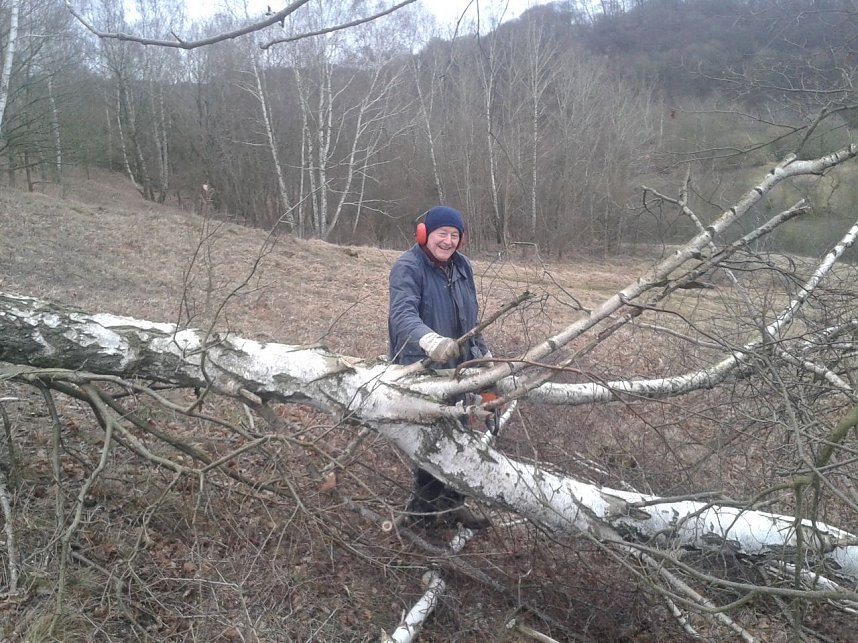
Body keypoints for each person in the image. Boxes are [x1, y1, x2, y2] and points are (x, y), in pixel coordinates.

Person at [388, 205, 492, 530]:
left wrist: (483, 353)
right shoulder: (408, 267)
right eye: (441, 234)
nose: (447, 241)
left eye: (454, 235)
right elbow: (402, 314)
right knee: (431, 439)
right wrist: (430, 341)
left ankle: (452, 503)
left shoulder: (462, 266)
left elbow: (469, 319)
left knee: (459, 430)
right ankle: (419, 516)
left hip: (458, 368)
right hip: (421, 367)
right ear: (424, 234)